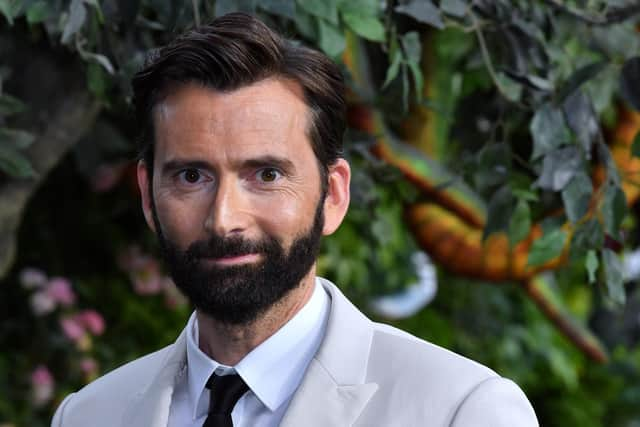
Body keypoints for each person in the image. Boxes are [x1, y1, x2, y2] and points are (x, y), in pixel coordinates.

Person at [51, 12, 538, 427]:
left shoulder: (461, 410)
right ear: (147, 195)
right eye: (192, 176)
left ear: (333, 196)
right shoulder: (89, 415)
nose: (225, 220)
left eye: (266, 174)